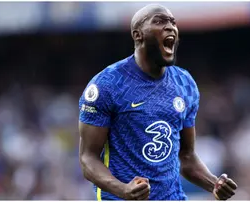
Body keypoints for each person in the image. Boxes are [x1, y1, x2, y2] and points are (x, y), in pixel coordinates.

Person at [78, 4, 237, 200]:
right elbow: (88, 159)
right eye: (160, 21)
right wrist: (123, 189)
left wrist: (214, 183)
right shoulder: (108, 85)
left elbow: (186, 157)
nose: (170, 27)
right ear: (138, 35)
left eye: (173, 22)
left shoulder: (184, 84)